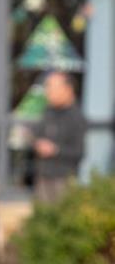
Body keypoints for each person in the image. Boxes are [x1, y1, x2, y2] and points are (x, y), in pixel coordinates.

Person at [32, 69, 86, 203]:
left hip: (63, 180)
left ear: (67, 89)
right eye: (47, 87)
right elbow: (37, 135)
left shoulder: (76, 117)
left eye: (52, 88)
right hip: (43, 176)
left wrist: (55, 150)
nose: (48, 92)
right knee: (42, 214)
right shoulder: (48, 111)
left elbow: (79, 152)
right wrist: (36, 143)